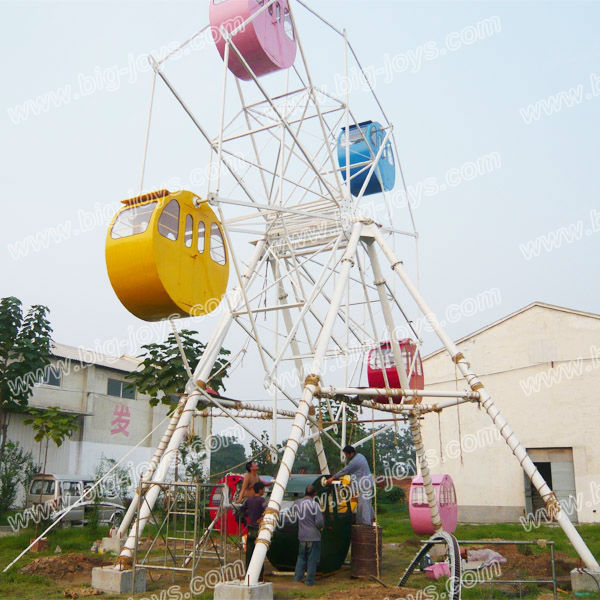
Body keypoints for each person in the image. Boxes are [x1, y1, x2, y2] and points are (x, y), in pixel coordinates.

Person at [325, 445, 375, 525]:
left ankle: (366, 524)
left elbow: (345, 471)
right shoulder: (361, 456)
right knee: (366, 503)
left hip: (363, 486)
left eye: (346, 455)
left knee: (364, 504)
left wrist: (333, 478)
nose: (346, 457)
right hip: (367, 484)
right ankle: (371, 520)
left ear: (350, 453)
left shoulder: (354, 462)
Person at [292, 485, 324, 586]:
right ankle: (309, 582)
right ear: (314, 494)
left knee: (301, 558)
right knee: (312, 560)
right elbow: (319, 522)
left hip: (302, 535)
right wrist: (321, 529)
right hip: (314, 536)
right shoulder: (315, 505)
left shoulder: (297, 503)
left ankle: (297, 579)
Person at [240, 481, 267, 581]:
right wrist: (262, 517)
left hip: (250, 529)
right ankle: (259, 576)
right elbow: (267, 511)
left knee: (249, 554)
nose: (264, 491)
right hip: (258, 530)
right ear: (260, 490)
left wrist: (246, 517)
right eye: (263, 489)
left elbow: (241, 510)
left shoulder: (248, 500)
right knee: (259, 553)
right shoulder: (262, 500)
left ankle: (248, 574)